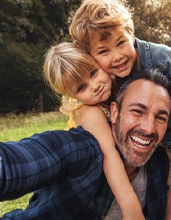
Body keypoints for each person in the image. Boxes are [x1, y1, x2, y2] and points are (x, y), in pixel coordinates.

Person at [69, 1, 171, 219]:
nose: (117, 56)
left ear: (131, 33)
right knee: (167, 189)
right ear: (92, 56)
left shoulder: (163, 57)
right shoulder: (112, 78)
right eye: (103, 51)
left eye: (121, 43)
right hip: (163, 136)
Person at [0, 68, 171, 219]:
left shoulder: (160, 165)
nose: (148, 128)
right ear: (114, 112)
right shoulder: (80, 150)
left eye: (161, 118)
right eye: (137, 111)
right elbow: (13, 165)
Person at [43, 41, 144, 219]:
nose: (95, 85)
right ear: (71, 96)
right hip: (84, 191)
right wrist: (131, 207)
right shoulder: (90, 112)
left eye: (93, 72)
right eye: (81, 87)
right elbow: (109, 156)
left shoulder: (113, 91)